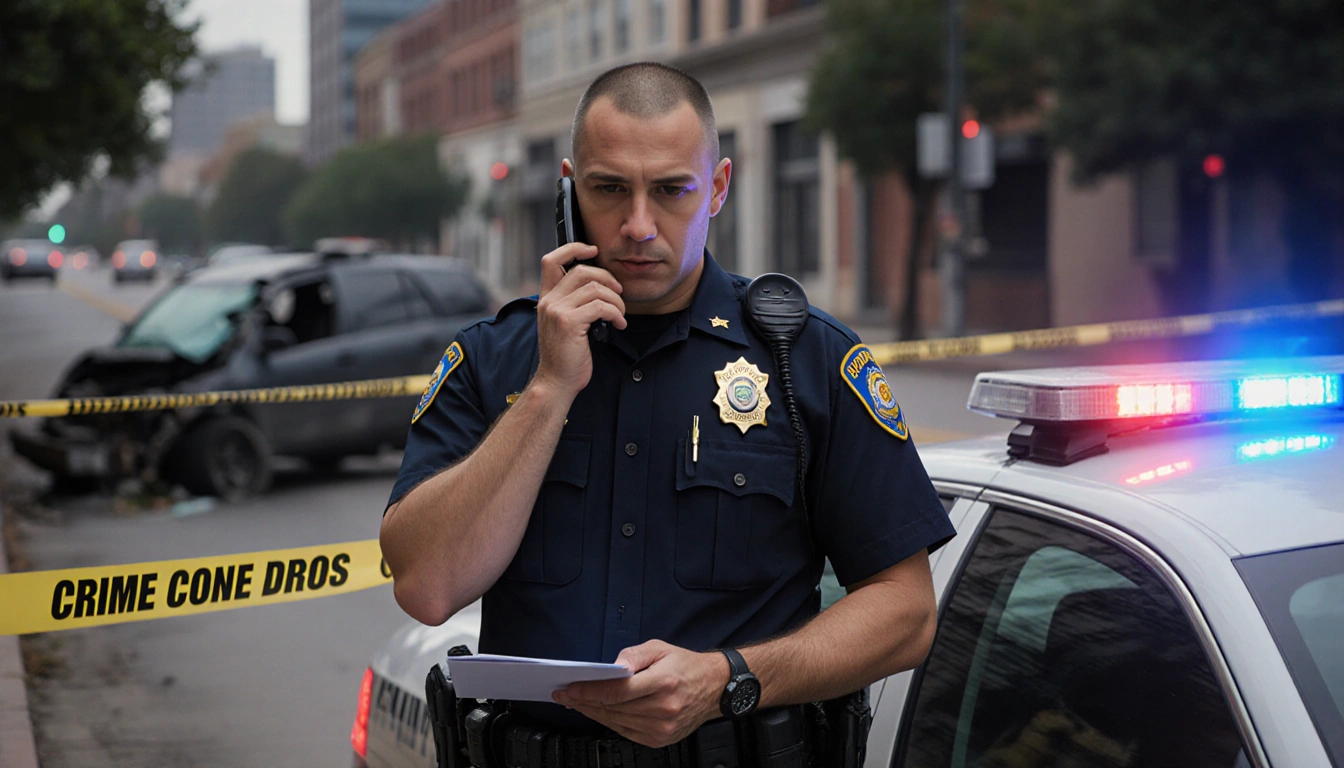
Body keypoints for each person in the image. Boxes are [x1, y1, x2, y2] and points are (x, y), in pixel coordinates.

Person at [380, 62, 955, 766]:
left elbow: (905, 612)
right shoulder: (492, 361)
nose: (638, 225)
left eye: (672, 189)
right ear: (568, 188)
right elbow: (426, 585)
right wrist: (549, 388)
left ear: (716, 188)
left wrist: (730, 679)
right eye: (609, 189)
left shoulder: (804, 360)